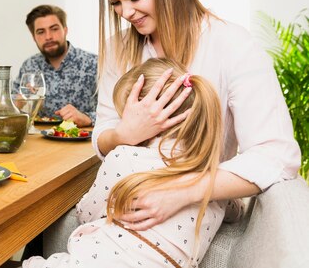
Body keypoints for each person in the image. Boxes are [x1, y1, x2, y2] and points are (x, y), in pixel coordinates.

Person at [92, 0, 300, 232]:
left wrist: (182, 191)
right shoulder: (117, 49)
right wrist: (126, 134)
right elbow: (102, 135)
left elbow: (277, 156)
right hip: (127, 202)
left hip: (188, 215)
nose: (126, 12)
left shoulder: (232, 45)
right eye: (115, 3)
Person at [24, 58, 229, 268]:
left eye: (124, 116)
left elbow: (86, 213)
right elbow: (234, 210)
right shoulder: (215, 181)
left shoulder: (125, 159)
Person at [13, 5, 98, 127]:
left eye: (54, 29)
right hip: (41, 140)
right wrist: (19, 102)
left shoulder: (93, 63)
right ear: (34, 37)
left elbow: (116, 111)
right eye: (41, 32)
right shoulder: (29, 65)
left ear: (65, 30)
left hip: (82, 140)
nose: (48, 37)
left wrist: (88, 118)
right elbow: (9, 106)